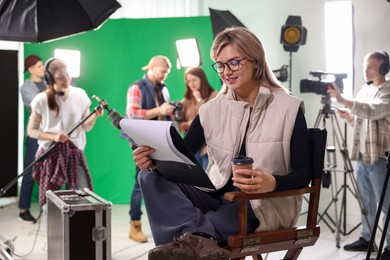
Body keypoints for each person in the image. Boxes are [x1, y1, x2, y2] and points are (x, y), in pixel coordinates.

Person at [132, 27, 312, 259]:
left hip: (262, 205)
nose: (226, 72)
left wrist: (273, 182)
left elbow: (304, 173)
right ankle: (196, 242)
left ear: (256, 62)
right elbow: (182, 160)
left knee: (215, 220)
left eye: (234, 63)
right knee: (148, 176)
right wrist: (153, 161)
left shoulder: (289, 108)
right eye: (220, 65)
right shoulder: (211, 110)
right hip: (214, 194)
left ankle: (187, 243)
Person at [328, 50, 390, 259]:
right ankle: (367, 238)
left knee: (387, 204)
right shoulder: (365, 88)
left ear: (383, 68)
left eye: (370, 66)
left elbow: (374, 111)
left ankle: (389, 247)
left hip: (381, 157)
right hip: (363, 155)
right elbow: (363, 119)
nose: (366, 69)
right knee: (366, 202)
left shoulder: (388, 89)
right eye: (365, 65)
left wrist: (343, 99)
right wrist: (350, 117)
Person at [27, 58, 104, 208]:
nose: (66, 80)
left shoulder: (80, 95)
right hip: (51, 154)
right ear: (50, 79)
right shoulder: (40, 100)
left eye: (67, 75)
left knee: (81, 197)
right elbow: (32, 131)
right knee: (49, 204)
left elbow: (86, 127)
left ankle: (76, 230)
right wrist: (54, 136)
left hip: (75, 153)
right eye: (60, 77)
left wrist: (94, 116)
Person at [121, 55, 175, 243]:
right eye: (162, 72)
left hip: (161, 142)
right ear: (151, 69)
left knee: (166, 183)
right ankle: (134, 225)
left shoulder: (164, 88)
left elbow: (165, 115)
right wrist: (159, 111)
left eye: (167, 73)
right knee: (140, 185)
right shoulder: (136, 87)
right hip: (143, 144)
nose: (164, 76)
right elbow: (132, 116)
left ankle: (167, 226)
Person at [18, 55, 47, 223]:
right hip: (35, 135)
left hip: (51, 135)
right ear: (30, 69)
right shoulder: (26, 87)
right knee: (30, 172)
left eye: (43, 65)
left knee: (51, 173)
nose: (42, 69)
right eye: (38, 66)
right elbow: (38, 104)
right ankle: (23, 210)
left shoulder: (48, 83)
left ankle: (49, 208)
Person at [177, 67, 218, 170]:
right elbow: (179, 125)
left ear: (202, 79)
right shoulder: (186, 101)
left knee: (209, 177)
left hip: (209, 147)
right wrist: (188, 124)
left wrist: (199, 100)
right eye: (188, 81)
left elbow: (209, 119)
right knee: (194, 179)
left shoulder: (215, 96)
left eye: (194, 80)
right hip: (192, 148)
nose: (191, 84)